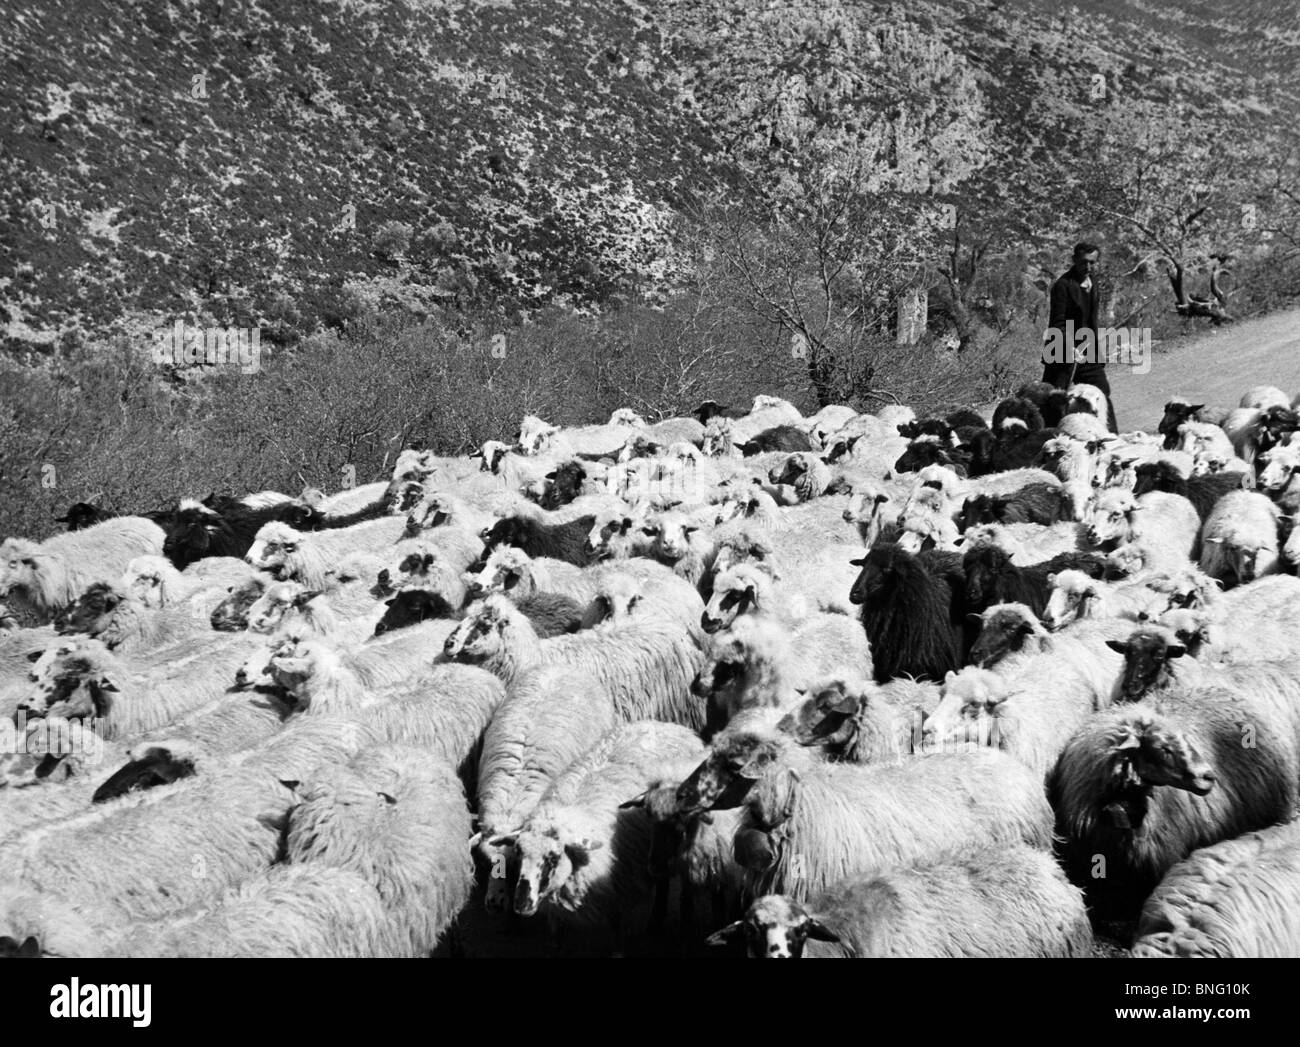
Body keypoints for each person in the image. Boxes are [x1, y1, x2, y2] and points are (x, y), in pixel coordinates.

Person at [1041, 242, 1117, 432]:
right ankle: (1046, 438)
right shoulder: (1062, 286)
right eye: (1084, 262)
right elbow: (1057, 323)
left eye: (1092, 262)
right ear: (1074, 260)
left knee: (1102, 392)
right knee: (1055, 399)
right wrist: (1069, 347)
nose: (1088, 267)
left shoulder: (1093, 282)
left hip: (1088, 350)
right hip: (1061, 352)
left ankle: (1111, 436)